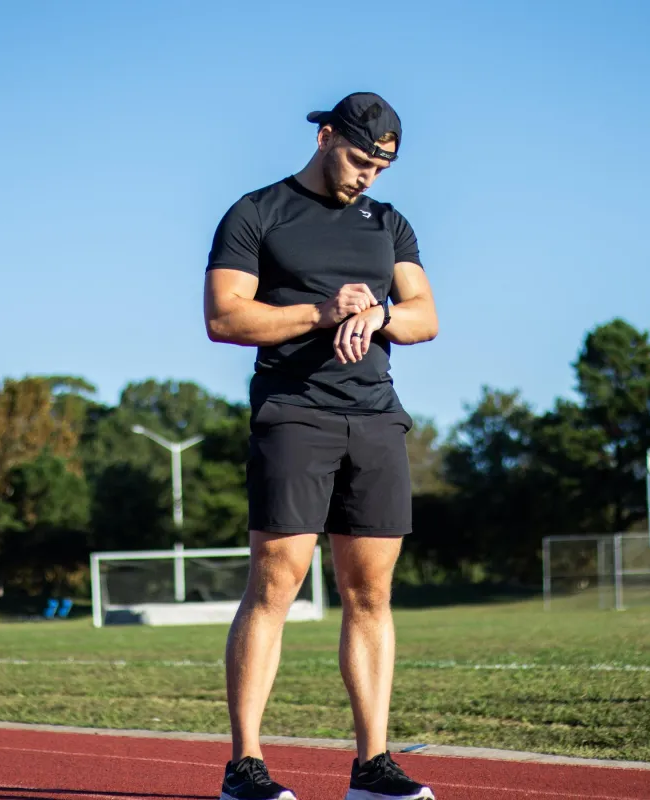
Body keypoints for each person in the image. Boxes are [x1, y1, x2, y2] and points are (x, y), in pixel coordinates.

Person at [203, 91, 438, 800]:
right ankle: (245, 766)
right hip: (293, 416)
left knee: (371, 593)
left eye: (381, 166)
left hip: (373, 417)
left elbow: (427, 315)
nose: (368, 175)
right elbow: (223, 316)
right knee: (275, 586)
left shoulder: (387, 222)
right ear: (324, 135)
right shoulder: (257, 213)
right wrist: (320, 311)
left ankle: (373, 765)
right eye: (360, 158)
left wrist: (385, 316)